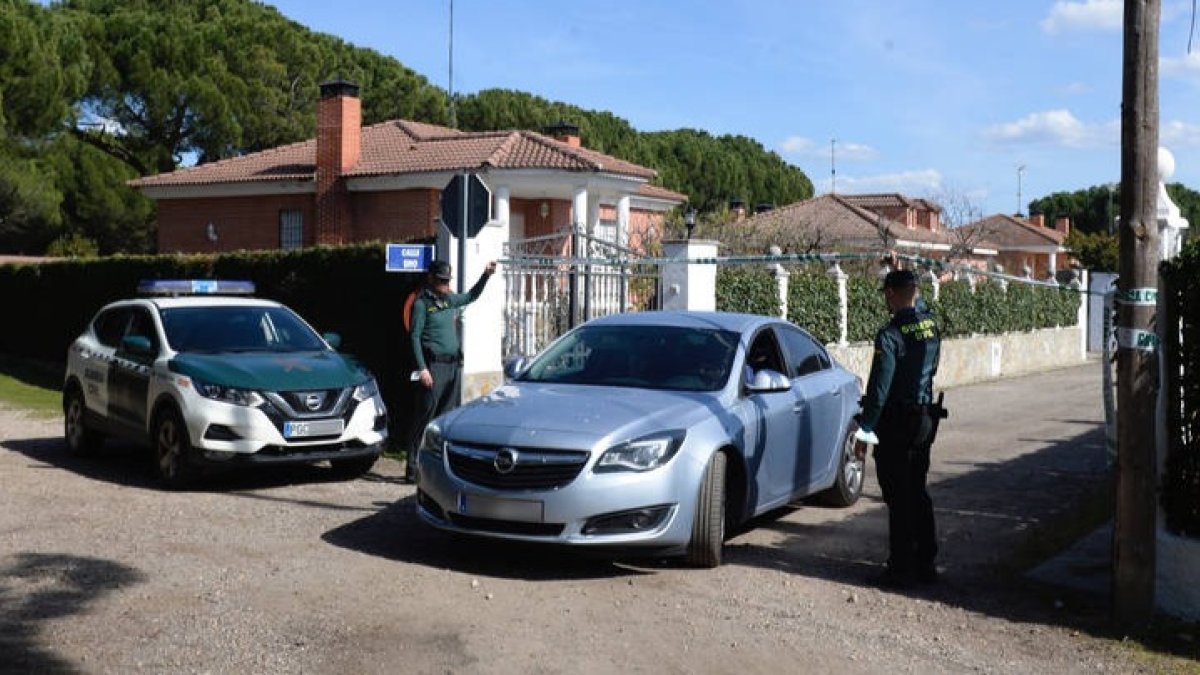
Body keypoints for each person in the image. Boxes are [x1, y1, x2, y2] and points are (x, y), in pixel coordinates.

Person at [855, 268, 943, 589]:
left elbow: (879, 390)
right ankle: (925, 563)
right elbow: (932, 367)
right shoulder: (930, 325)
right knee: (918, 490)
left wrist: (865, 429)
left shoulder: (890, 335)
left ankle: (901, 568)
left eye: (886, 294)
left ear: (891, 293)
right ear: (915, 291)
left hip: (897, 424)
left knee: (898, 496)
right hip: (925, 420)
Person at [406, 259, 497, 482]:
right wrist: (423, 369)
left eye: (447, 281)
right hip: (434, 367)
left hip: (452, 366)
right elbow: (415, 337)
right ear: (431, 278)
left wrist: (486, 275)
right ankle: (411, 466)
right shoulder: (422, 304)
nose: (445, 285)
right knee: (425, 417)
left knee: (445, 419)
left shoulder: (448, 300)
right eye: (441, 281)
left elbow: (471, 296)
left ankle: (437, 465)